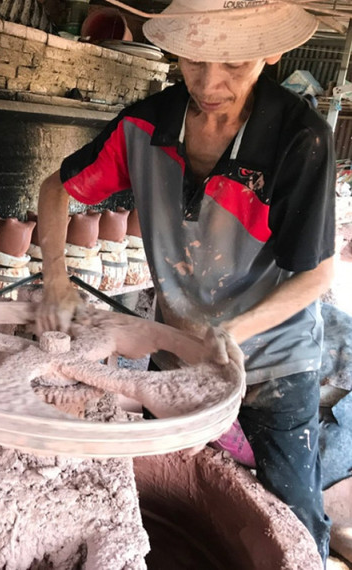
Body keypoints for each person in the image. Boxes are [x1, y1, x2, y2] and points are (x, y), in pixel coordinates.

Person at [35, 0, 335, 563]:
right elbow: (57, 190)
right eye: (195, 60)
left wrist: (234, 331)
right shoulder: (144, 127)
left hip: (271, 357)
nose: (210, 83)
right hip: (176, 347)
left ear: (270, 53)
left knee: (289, 512)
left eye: (234, 64)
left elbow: (317, 272)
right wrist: (56, 278)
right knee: (160, 488)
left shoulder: (300, 140)